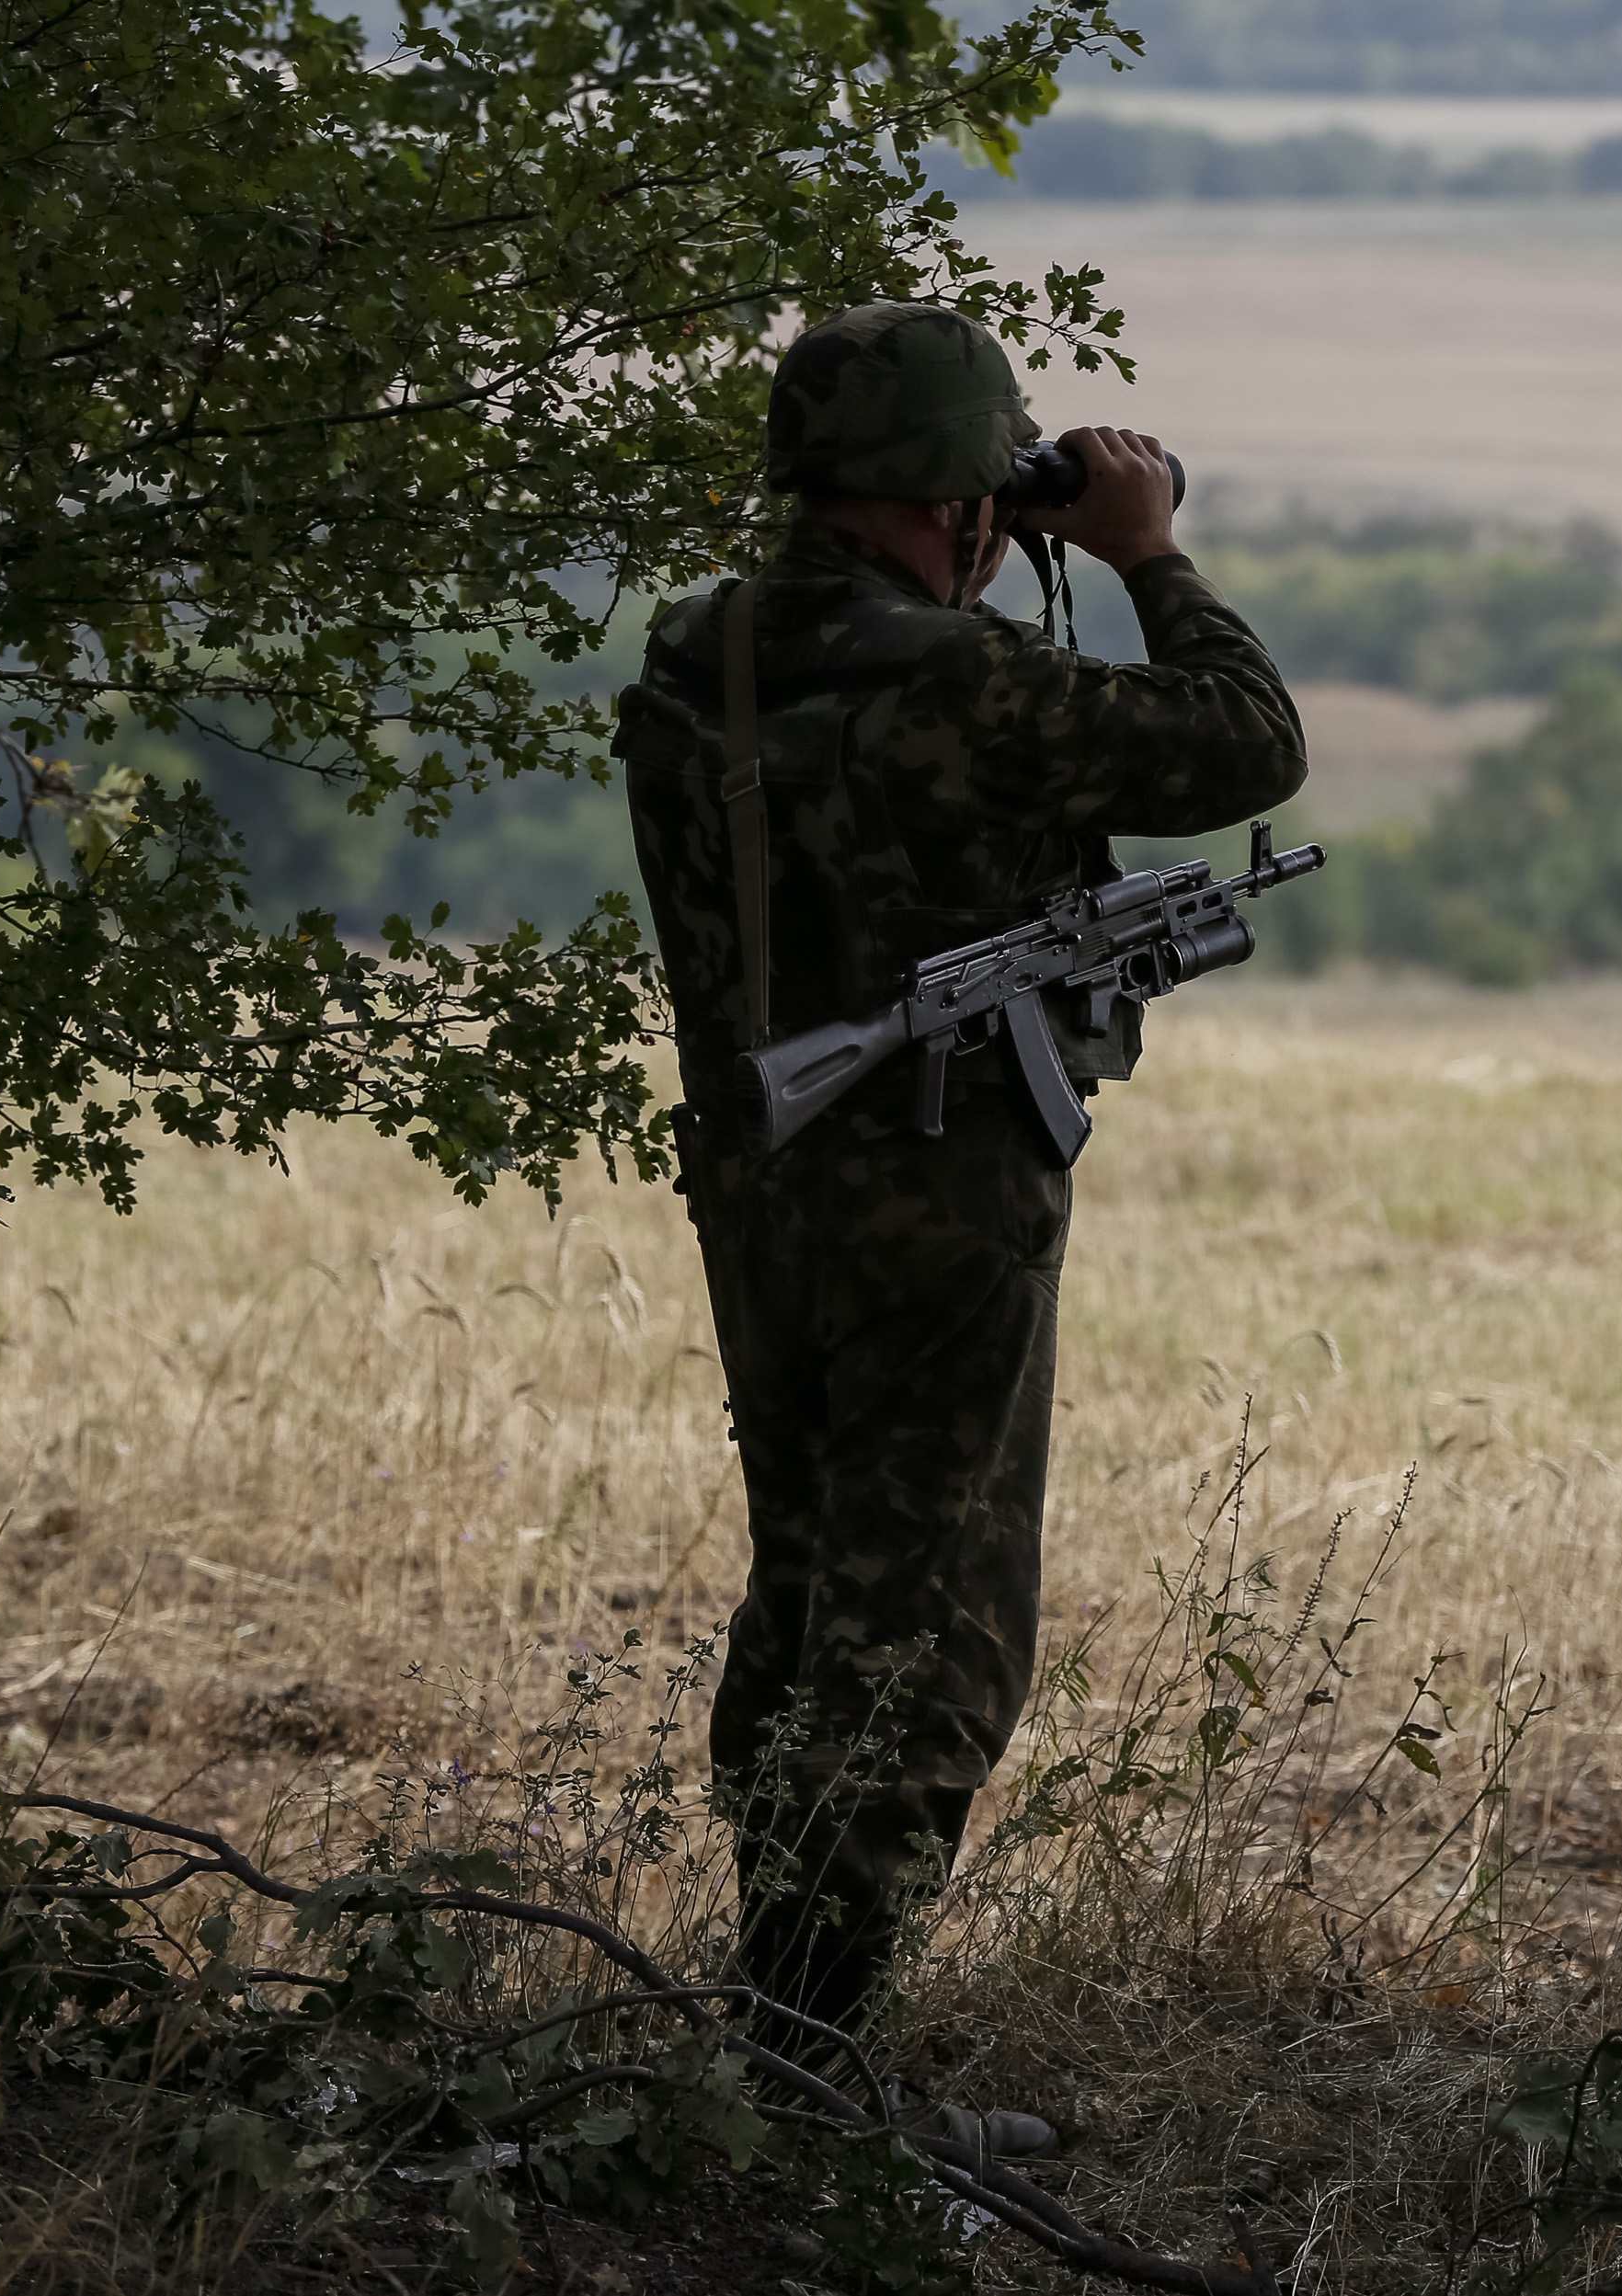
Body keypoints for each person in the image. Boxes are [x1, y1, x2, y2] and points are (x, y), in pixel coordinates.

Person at [611, 303, 1308, 2137]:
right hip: (937, 1191)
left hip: (763, 1177)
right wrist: (1144, 552)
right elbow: (1244, 744)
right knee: (926, 1627)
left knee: (817, 1583)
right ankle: (809, 2082)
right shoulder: (958, 682)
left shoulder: (707, 655)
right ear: (947, 498)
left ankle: (776, 2038)